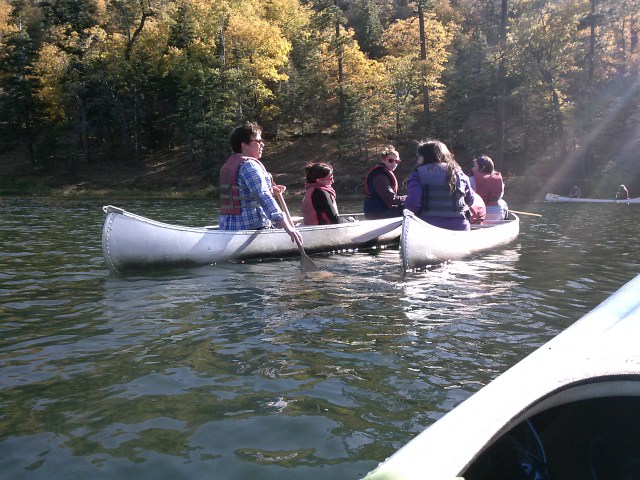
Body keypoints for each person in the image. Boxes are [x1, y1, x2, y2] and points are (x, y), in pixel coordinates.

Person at [218, 121, 302, 244]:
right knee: (289, 224)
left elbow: (243, 191)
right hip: (252, 226)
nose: (262, 145)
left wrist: (271, 189)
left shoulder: (232, 163)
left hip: (229, 225)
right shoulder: (249, 165)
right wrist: (288, 227)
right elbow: (263, 196)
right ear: (245, 145)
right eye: (258, 141)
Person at [405, 139, 475, 231]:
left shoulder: (417, 174)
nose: (417, 159)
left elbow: (412, 204)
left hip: (427, 228)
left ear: (423, 157)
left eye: (419, 156)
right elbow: (470, 200)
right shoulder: (458, 173)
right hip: (460, 228)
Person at [363, 145, 406, 219]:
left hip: (381, 211)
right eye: (391, 160)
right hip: (377, 214)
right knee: (411, 206)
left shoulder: (384, 173)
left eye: (397, 161)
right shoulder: (380, 176)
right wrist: (408, 198)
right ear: (383, 160)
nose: (394, 163)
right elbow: (392, 199)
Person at [469, 155, 509, 221]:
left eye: (475, 166)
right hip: (497, 213)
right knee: (503, 202)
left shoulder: (471, 180)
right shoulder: (499, 180)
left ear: (482, 168)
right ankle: (504, 221)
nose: (473, 168)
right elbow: (500, 196)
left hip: (480, 214)